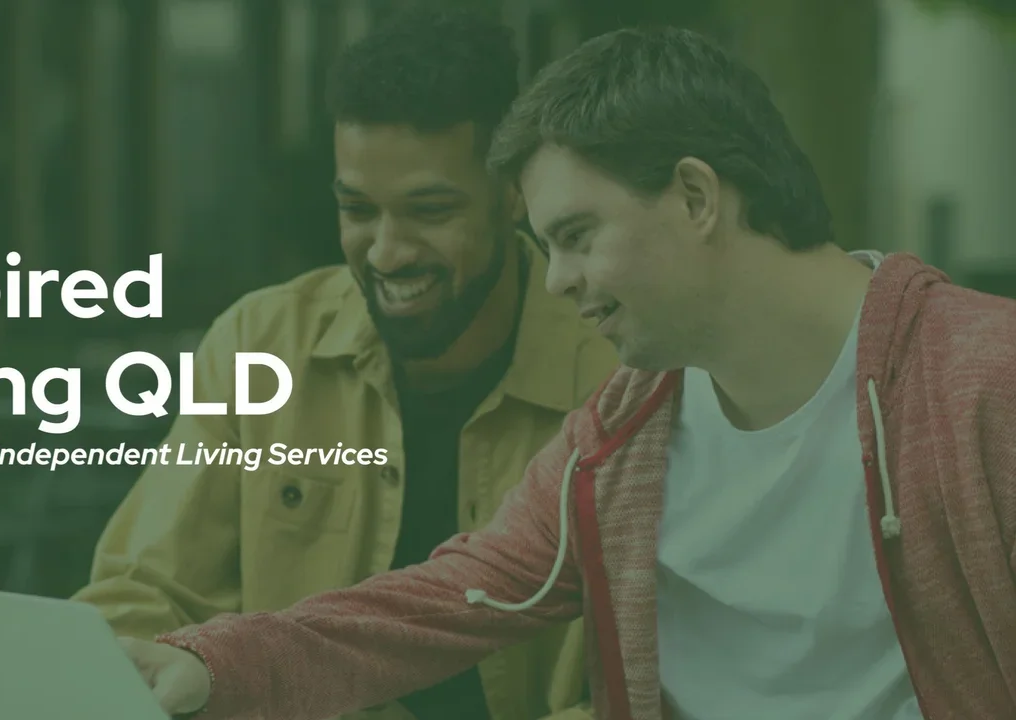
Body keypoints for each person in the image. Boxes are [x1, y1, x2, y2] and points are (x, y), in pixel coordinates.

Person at [118, 25, 1016, 720]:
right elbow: (444, 599)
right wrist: (215, 663)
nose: (555, 280)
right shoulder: (623, 433)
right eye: (547, 245)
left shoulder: (981, 384)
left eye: (578, 237)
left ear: (697, 197)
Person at [49, 7, 610, 720]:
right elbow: (142, 592)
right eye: (358, 209)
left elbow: (639, 684)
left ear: (514, 197)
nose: (386, 251)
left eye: (429, 211)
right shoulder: (261, 343)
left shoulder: (614, 373)